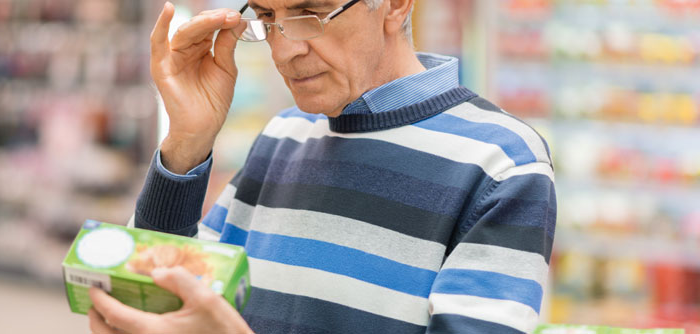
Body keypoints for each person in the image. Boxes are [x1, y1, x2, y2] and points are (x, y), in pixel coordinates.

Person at [88, 0, 556, 333]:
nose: (284, 50)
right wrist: (186, 142)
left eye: (310, 13)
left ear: (395, 5)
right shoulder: (283, 136)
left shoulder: (502, 163)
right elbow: (155, 294)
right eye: (268, 17)